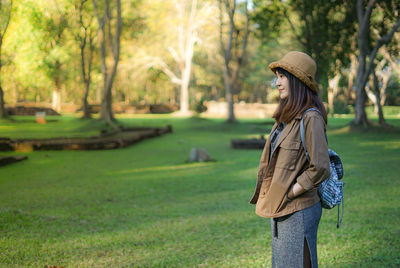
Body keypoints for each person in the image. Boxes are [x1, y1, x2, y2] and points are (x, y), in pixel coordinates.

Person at [249, 51, 331, 268]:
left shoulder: (310, 117)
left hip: (299, 209)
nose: (277, 82)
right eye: (277, 76)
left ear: (297, 80)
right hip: (281, 207)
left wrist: (293, 190)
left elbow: (321, 166)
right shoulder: (287, 116)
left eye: (282, 76)